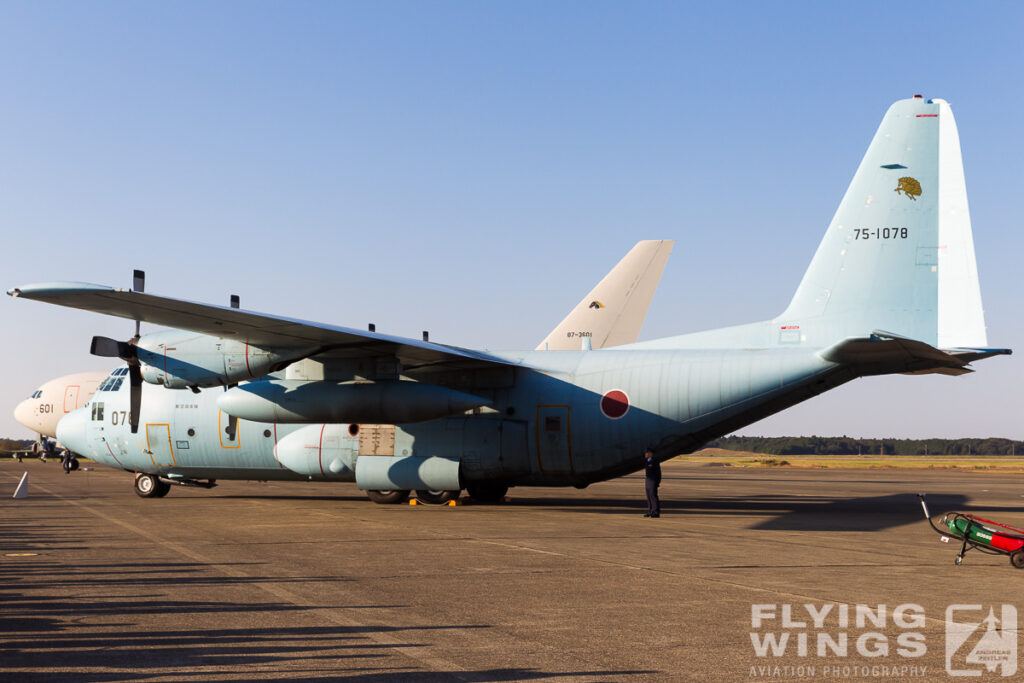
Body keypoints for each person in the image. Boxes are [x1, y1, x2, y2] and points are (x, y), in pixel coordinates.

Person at [643, 448, 661, 518]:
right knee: (649, 496)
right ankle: (650, 511)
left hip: (653, 481)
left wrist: (657, 482)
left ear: (650, 453)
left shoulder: (655, 461)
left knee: (653, 496)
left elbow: (658, 473)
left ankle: (656, 512)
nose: (645, 454)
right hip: (648, 480)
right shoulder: (647, 461)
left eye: (646, 453)